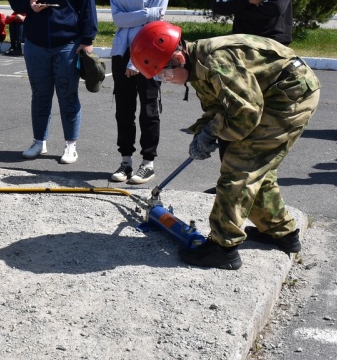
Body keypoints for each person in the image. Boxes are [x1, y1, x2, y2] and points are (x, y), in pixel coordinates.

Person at [131, 22, 320, 270]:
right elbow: (219, 106)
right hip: (271, 95)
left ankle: (222, 249)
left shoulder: (214, 62)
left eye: (163, 73)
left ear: (178, 57)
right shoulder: (195, 64)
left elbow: (246, 113)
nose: (164, 80)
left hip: (289, 96)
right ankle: (280, 232)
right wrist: (204, 131)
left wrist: (213, 131)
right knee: (256, 168)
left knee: (239, 168)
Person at [7, 0, 98, 164]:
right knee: (40, 95)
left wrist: (88, 39)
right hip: (35, 44)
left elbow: (88, 5)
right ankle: (39, 142)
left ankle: (71, 145)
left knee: (68, 95)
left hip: (67, 44)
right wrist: (29, 5)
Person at [108, 0, 170, 185]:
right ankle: (125, 161)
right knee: (123, 110)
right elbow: (116, 18)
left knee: (148, 110)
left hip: (150, 54)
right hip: (121, 52)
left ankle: (148, 163)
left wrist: (137, 62)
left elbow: (158, 20)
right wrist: (146, 12)